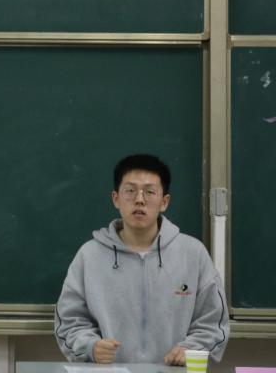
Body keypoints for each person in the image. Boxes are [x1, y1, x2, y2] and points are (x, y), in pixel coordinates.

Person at [54, 154, 229, 365]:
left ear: (164, 202)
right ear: (116, 199)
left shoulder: (193, 254)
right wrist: (90, 347)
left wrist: (192, 350)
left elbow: (213, 323)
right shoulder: (89, 256)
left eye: (149, 192)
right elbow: (69, 322)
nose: (139, 199)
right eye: (130, 191)